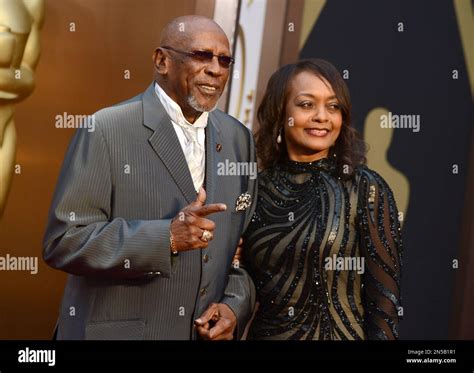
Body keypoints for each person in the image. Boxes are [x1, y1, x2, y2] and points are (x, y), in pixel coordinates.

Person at [43, 15, 256, 340]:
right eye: (201, 56)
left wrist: (234, 306)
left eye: (224, 60)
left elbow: (240, 251)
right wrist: (165, 238)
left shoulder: (239, 139)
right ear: (162, 61)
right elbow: (64, 241)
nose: (216, 69)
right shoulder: (106, 129)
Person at [241, 59, 403, 340]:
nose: (322, 116)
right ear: (280, 112)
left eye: (333, 106)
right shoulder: (254, 191)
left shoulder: (365, 188)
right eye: (306, 105)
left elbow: (384, 305)